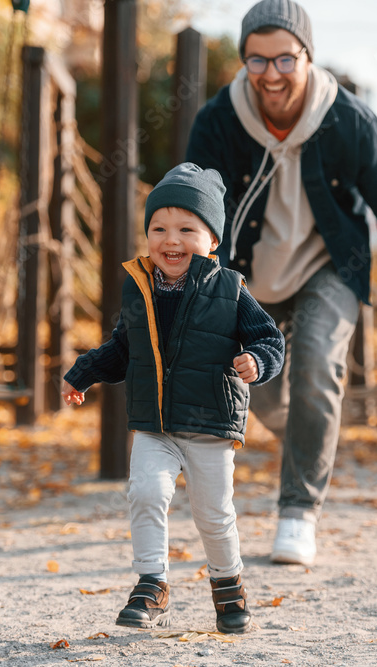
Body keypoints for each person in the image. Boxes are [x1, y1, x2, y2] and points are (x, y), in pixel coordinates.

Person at [186, 0, 377, 567]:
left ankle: (298, 513)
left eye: (284, 59)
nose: (271, 74)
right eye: (257, 61)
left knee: (315, 369)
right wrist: (198, 290)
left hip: (329, 267)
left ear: (307, 56)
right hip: (248, 278)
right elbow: (198, 214)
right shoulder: (217, 121)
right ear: (243, 62)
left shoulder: (349, 120)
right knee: (260, 390)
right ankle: (309, 432)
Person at [61, 163, 285, 634]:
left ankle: (228, 586)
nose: (171, 240)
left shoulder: (231, 290)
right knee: (145, 491)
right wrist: (83, 374)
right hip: (155, 423)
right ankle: (152, 582)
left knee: (213, 513)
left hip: (210, 424)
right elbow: (122, 348)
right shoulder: (139, 288)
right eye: (159, 228)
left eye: (187, 228)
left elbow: (270, 340)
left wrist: (257, 362)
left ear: (212, 241)